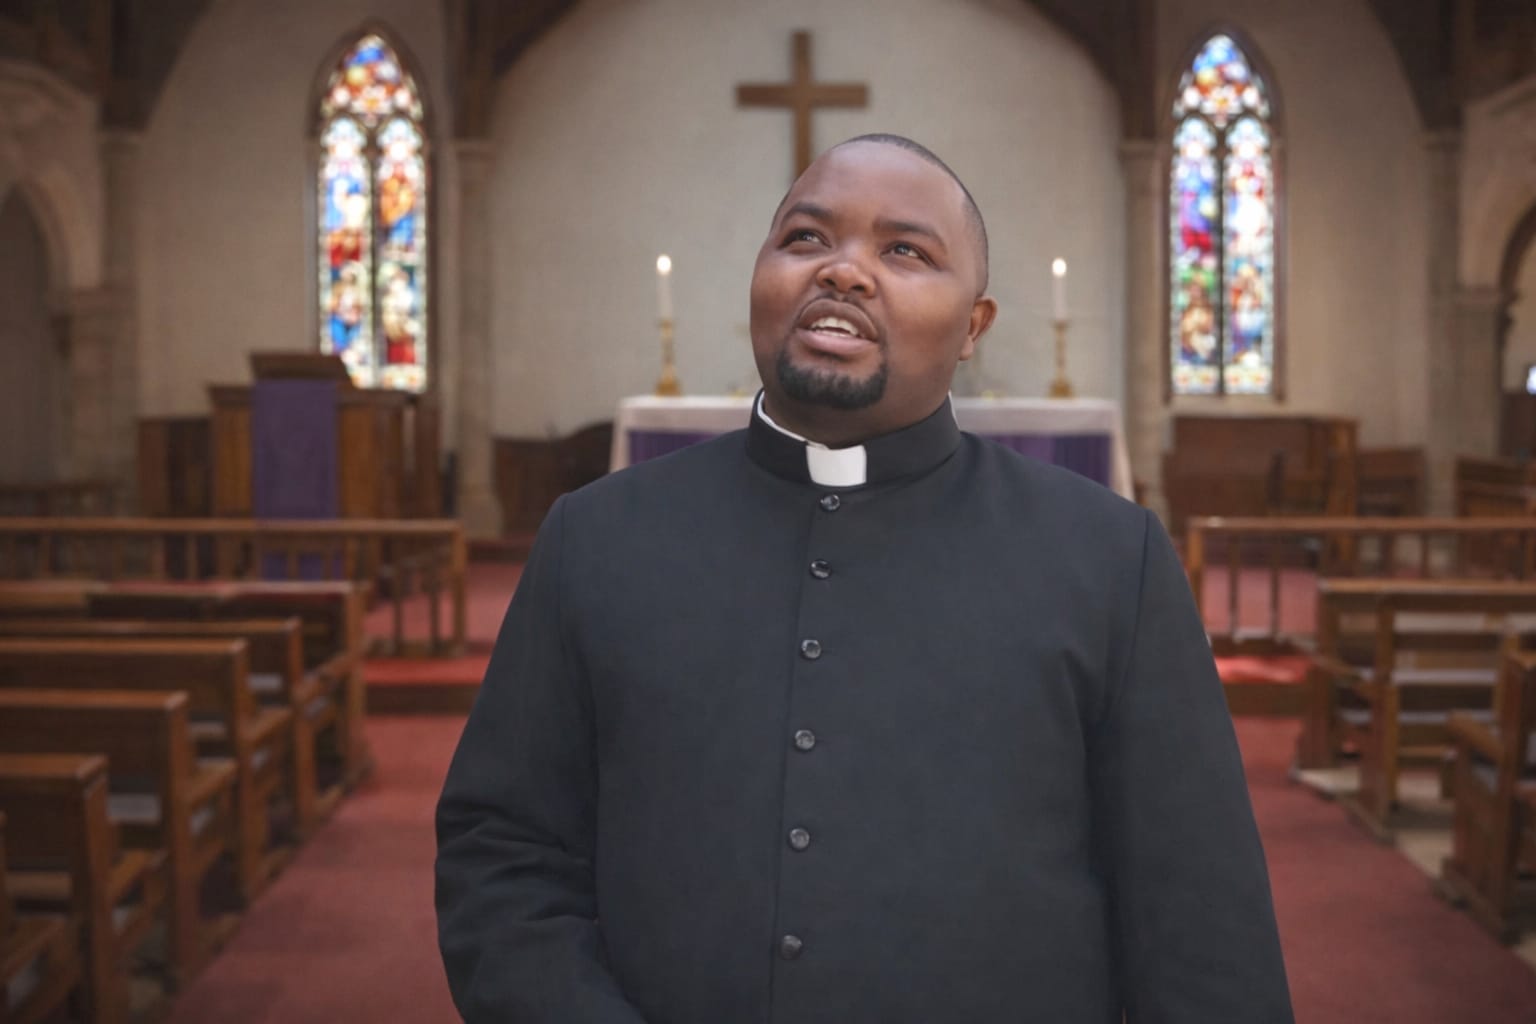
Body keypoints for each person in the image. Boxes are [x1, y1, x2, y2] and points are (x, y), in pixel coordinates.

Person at [436, 133, 1293, 1023]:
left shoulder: (1113, 561)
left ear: (973, 328)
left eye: (905, 251)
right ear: (760, 278)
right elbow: (503, 851)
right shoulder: (597, 538)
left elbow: (1201, 919)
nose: (843, 272)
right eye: (805, 239)